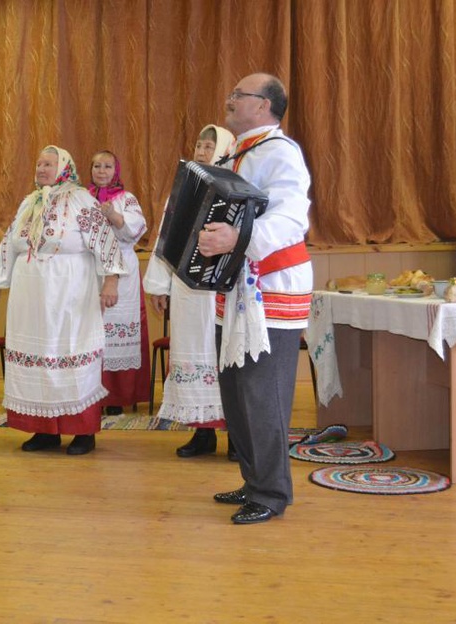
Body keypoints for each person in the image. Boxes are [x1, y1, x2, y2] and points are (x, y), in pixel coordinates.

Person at [197, 73, 312, 524]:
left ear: (263, 105)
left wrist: (236, 237)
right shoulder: (238, 152)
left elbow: (290, 218)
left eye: (238, 95)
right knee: (238, 391)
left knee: (264, 393)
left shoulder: (282, 153)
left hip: (273, 288)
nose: (229, 100)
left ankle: (272, 492)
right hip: (239, 287)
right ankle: (253, 480)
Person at [0, 146, 125, 456]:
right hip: (30, 298)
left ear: (64, 167)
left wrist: (111, 280)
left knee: (70, 353)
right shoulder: (30, 202)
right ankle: (44, 431)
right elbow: (10, 244)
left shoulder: (80, 199)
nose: (42, 169)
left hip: (70, 293)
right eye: (39, 163)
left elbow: (105, 240)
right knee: (37, 356)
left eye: (49, 164)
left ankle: (82, 431)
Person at [143, 125, 236, 459]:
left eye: (209, 145)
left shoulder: (234, 185)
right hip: (186, 289)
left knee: (224, 356)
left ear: (225, 148)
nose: (200, 150)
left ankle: (238, 438)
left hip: (220, 290)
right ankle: (202, 432)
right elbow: (168, 235)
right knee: (194, 352)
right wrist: (159, 284)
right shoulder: (183, 188)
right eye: (198, 144)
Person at [89, 150, 150, 415]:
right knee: (90, 332)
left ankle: (116, 399)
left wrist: (114, 216)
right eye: (97, 166)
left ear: (117, 170)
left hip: (122, 273)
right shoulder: (82, 198)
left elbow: (137, 230)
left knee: (117, 329)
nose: (102, 171)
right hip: (89, 272)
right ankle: (90, 393)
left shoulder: (126, 199)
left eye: (107, 166)